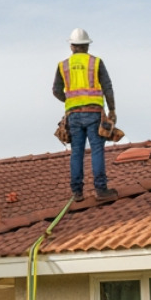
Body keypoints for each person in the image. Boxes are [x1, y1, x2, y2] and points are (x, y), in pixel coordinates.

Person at [53, 28, 118, 202]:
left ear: (72, 46)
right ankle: (101, 190)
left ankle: (77, 193)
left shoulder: (63, 65)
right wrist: (112, 110)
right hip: (94, 113)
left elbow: (56, 91)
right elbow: (107, 87)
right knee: (97, 150)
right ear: (87, 46)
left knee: (77, 152)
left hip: (73, 114)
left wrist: (70, 101)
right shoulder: (96, 63)